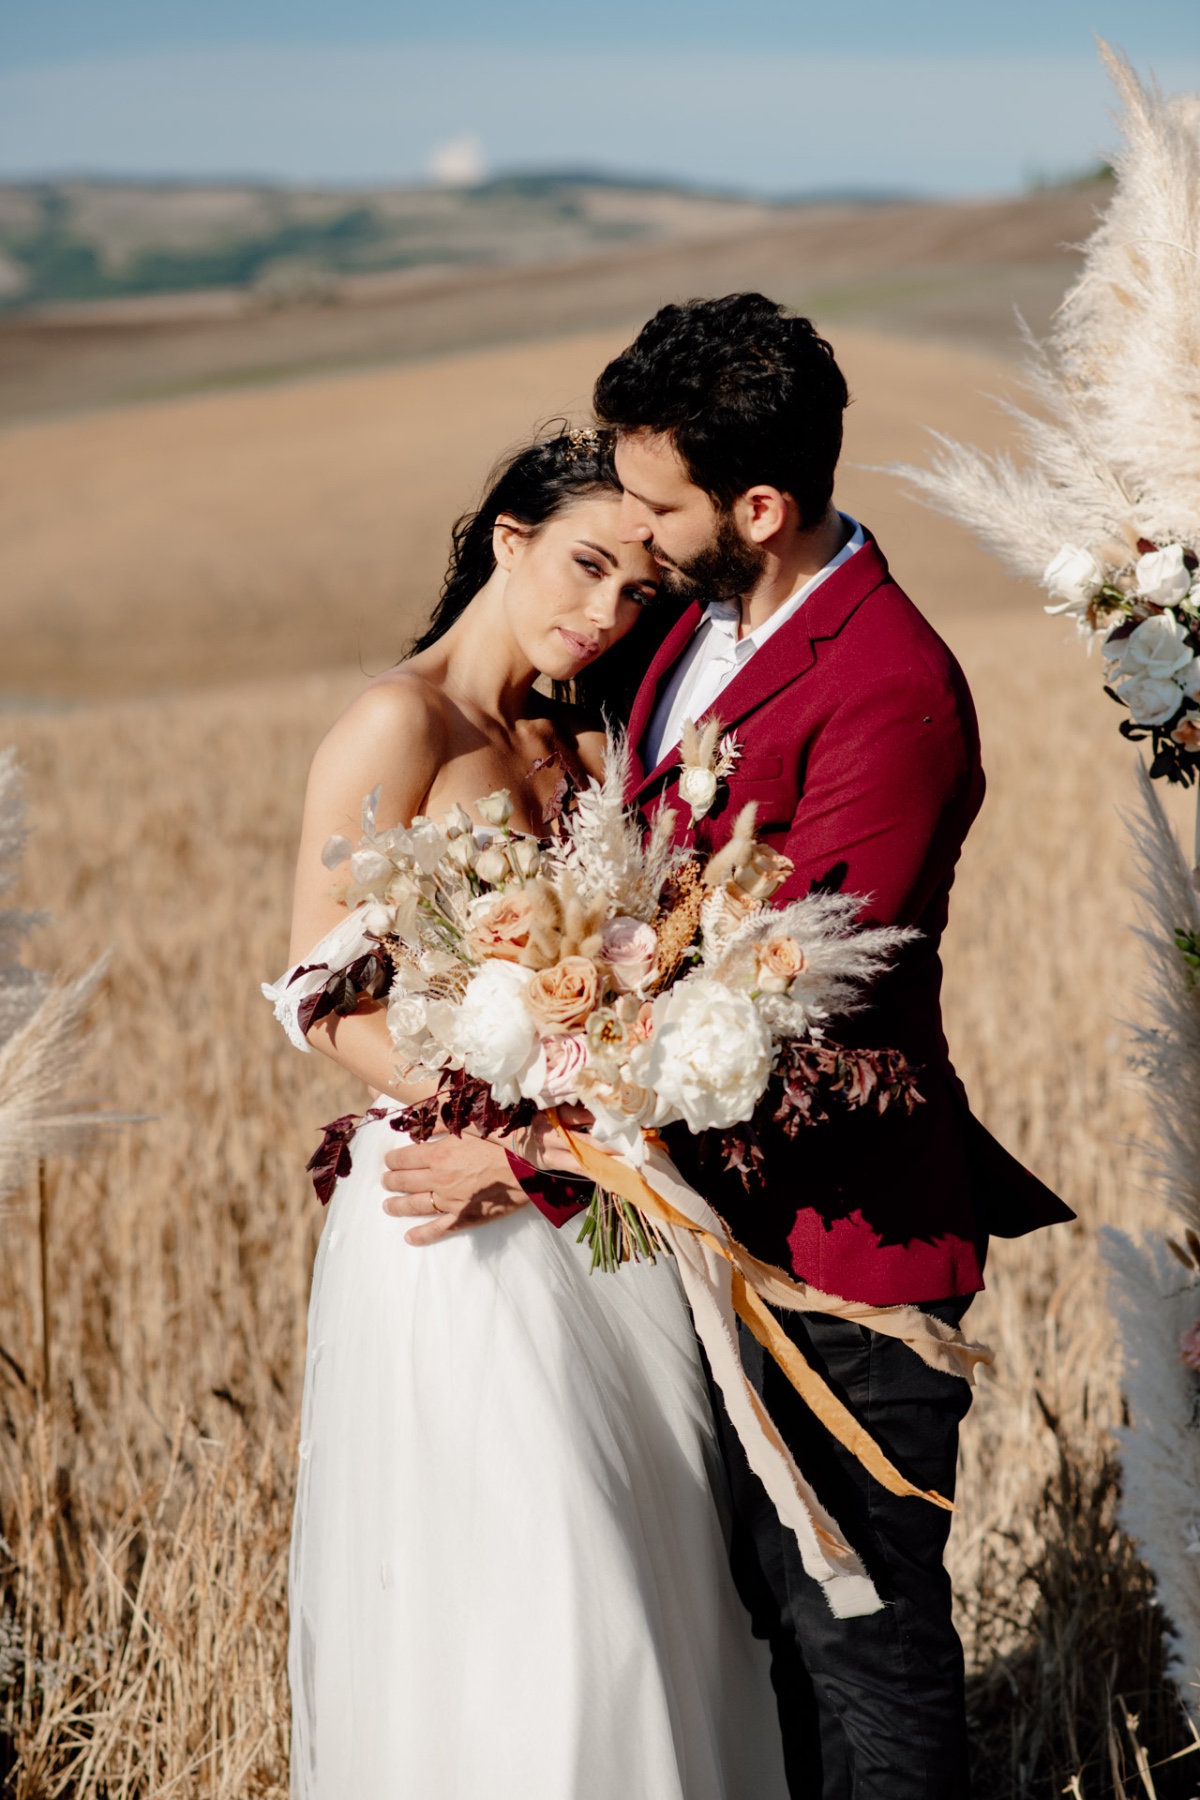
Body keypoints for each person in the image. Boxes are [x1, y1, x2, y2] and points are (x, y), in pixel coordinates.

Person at [385, 297, 1073, 1799]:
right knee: (738, 1645)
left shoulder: (890, 684)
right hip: (676, 1244)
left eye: (656, 500)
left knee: (859, 1646)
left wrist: (540, 1161)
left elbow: (774, 1007)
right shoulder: (679, 631)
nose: (628, 526)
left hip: (839, 1244)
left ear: (757, 508)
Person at [265, 427, 789, 1800]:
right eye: (582, 567)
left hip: (586, 1191)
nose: (603, 612)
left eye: (634, 592)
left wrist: (595, 1097)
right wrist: (496, 1108)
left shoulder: (588, 727)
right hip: (459, 1214)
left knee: (656, 1555)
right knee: (542, 1578)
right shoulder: (401, 723)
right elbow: (313, 990)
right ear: (507, 539)